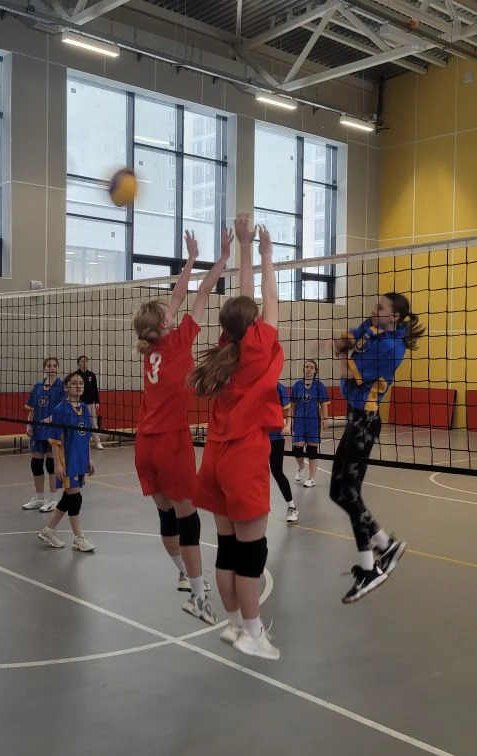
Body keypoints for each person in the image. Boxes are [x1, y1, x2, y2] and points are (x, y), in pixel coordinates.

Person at [190, 213, 282, 660]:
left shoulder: (223, 350)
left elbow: (247, 299)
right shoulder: (259, 347)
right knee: (251, 553)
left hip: (214, 458)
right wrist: (263, 253)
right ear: (253, 324)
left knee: (228, 548)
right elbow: (266, 295)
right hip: (245, 458)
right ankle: (252, 633)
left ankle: (232, 624)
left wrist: (245, 249)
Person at [131, 229, 231, 625]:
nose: (173, 307)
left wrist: (189, 259)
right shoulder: (180, 340)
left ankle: (181, 572)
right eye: (167, 311)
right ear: (165, 324)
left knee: (167, 517)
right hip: (171, 442)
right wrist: (220, 259)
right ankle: (199, 595)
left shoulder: (151, 347)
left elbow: (177, 295)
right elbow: (201, 291)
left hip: (144, 444)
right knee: (188, 519)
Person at [323, 294, 423, 604]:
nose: (373, 310)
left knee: (350, 493)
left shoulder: (391, 348)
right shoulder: (373, 326)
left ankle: (370, 568)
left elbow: (347, 371)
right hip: (354, 419)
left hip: (365, 423)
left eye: (380, 307)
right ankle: (386, 543)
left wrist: (341, 352)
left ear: (395, 317)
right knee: (337, 492)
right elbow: (349, 336)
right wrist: (342, 343)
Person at [37, 371, 96, 552]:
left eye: (81, 383)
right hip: (67, 459)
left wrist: (89, 458)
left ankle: (48, 531)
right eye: (74, 383)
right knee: (75, 497)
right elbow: (55, 439)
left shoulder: (85, 408)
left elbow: (86, 436)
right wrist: (57, 464)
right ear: (66, 387)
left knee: (68, 497)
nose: (78, 386)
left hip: (80, 459)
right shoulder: (60, 409)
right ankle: (78, 538)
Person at [22, 357, 64, 511]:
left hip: (53, 430)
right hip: (38, 430)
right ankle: (39, 498)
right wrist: (28, 424)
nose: (51, 368)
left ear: (58, 368)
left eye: (54, 366)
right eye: (48, 366)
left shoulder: (62, 386)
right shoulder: (38, 386)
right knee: (36, 464)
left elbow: (63, 409)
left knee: (51, 464)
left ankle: (53, 499)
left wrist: (51, 419)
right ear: (44, 369)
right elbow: (32, 408)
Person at [289, 359, 330, 488]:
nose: (308, 369)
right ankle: (301, 466)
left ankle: (311, 478)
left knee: (312, 450)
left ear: (315, 370)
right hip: (299, 421)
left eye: (311, 367)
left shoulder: (319, 386)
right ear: (303, 369)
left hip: (313, 421)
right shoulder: (297, 385)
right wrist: (290, 419)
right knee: (297, 448)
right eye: (307, 367)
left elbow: (324, 404)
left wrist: (325, 419)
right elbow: (292, 405)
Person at [269, 383, 296, 522]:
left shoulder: (278, 387)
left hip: (275, 436)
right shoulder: (254, 384)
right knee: (253, 471)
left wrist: (288, 424)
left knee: (277, 472)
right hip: (257, 437)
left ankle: (291, 506)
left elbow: (288, 408)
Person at [75, 355, 103, 451]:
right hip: (80, 403)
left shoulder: (91, 375)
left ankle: (97, 441)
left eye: (86, 361)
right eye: (82, 361)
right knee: (80, 423)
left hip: (91, 403)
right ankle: (81, 441)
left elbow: (95, 389)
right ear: (78, 363)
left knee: (93, 423)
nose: (84, 363)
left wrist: (97, 401)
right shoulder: (76, 375)